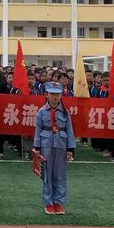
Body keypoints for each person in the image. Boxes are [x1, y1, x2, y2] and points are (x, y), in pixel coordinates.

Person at [33, 82, 75, 215]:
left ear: (61, 95)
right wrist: (37, 147)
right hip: (46, 146)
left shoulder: (65, 112)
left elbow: (69, 131)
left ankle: (59, 203)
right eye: (52, 94)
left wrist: (71, 148)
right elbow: (38, 130)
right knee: (47, 175)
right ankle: (49, 203)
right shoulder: (41, 112)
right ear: (47, 95)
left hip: (61, 145)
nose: (55, 97)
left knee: (60, 175)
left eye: (57, 94)